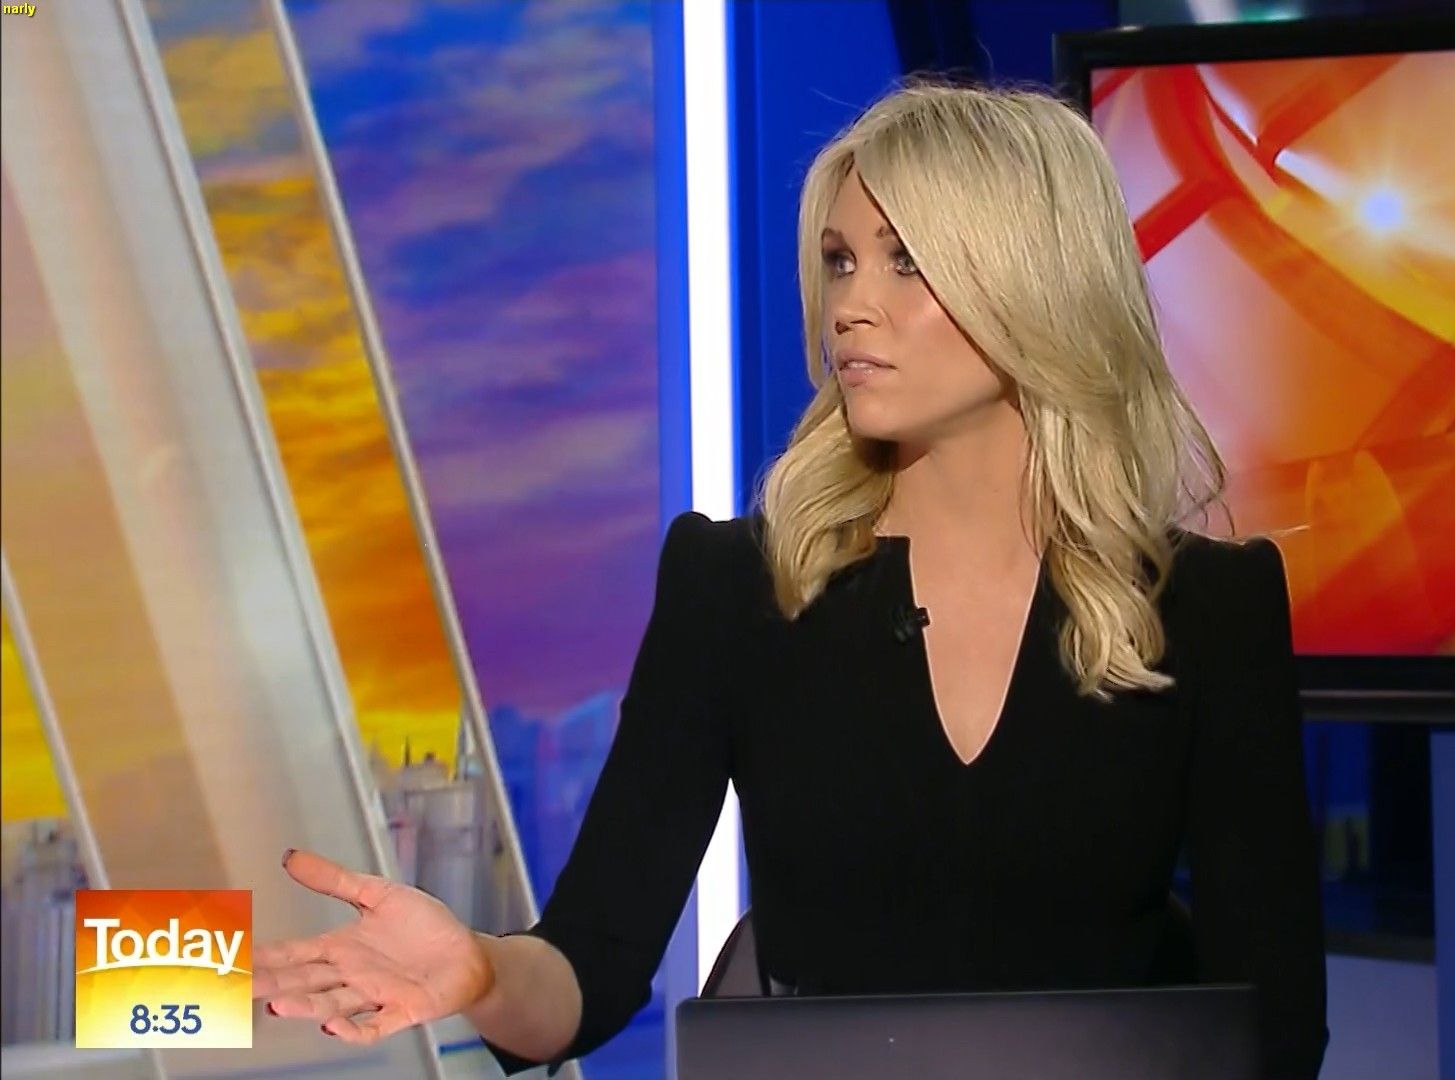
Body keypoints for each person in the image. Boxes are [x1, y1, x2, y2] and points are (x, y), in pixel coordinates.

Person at [253, 81, 1328, 1078]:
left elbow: (1275, 1028)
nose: (850, 303)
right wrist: (483, 974)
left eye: (906, 262)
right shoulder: (736, 589)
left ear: (1036, 286)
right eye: (840, 260)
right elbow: (591, 963)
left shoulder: (1209, 609)